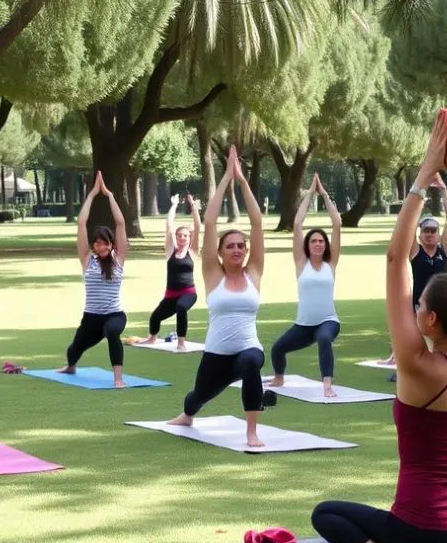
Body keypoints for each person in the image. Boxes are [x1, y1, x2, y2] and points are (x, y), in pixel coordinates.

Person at [312, 107, 447, 543]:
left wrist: (423, 176)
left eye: (418, 308)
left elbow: (396, 258)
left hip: (423, 532)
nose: (412, 312)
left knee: (326, 514)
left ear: (432, 320)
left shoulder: (415, 365)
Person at [168, 147, 270, 447]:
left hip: (248, 348)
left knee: (252, 362)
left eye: (241, 246)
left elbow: (257, 223)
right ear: (220, 252)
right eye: (231, 246)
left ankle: (252, 432)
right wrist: (226, 177)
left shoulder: (254, 275)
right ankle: (187, 415)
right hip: (216, 354)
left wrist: (243, 182)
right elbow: (210, 223)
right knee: (198, 397)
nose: (238, 249)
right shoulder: (214, 276)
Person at [270, 173, 343, 397]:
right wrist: (310, 193)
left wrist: (324, 195)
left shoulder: (331, 264)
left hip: (328, 322)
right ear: (308, 245)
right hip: (303, 326)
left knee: (323, 338)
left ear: (326, 245)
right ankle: (279, 377)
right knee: (277, 349)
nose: (318, 244)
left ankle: (327, 385)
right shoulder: (301, 263)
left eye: (321, 241)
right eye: (314, 241)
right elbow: (298, 223)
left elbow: (337, 223)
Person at [58, 172, 130, 388]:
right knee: (74, 349)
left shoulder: (119, 259)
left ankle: (118, 378)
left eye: (105, 243)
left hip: (114, 314)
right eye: (97, 243)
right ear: (93, 245)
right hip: (91, 318)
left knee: (112, 332)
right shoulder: (88, 259)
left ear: (111, 244)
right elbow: (81, 224)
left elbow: (120, 224)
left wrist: (108, 196)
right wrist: (90, 195)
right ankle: (71, 366)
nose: (101, 247)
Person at [380, 175, 447, 377]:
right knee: (411, 338)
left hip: (441, 304)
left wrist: (443, 189)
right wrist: (420, 192)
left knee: (442, 340)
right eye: (425, 231)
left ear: (438, 234)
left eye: (433, 231)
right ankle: (402, 369)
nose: (429, 234)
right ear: (420, 234)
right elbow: (408, 222)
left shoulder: (443, 252)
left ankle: (444, 370)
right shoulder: (416, 252)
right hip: (419, 305)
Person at [141, 193, 201, 351]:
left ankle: (181, 342)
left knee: (181, 307)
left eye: (186, 236)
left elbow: (198, 226)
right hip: (170, 294)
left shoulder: (193, 253)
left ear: (190, 238)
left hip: (188, 293)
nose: (182, 238)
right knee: (155, 317)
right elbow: (169, 226)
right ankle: (152, 338)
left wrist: (193, 206)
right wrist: (174, 205)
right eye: (180, 235)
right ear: (176, 237)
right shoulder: (170, 252)